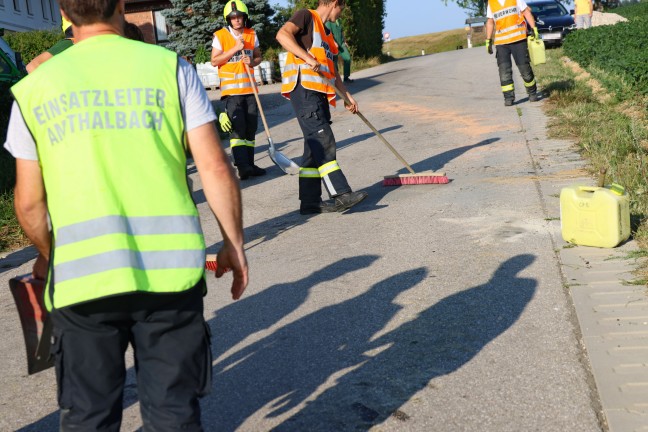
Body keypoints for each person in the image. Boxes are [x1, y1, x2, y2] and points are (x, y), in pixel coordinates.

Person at [4, 0, 249, 430]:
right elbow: (213, 167)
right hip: (169, 276)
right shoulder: (169, 68)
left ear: (63, 10)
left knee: (88, 416)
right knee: (173, 412)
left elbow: (28, 204)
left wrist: (51, 253)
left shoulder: (34, 89)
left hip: (83, 282)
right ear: (120, 5)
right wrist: (234, 244)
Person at [276, 0, 368, 215]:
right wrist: (306, 57)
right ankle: (341, 194)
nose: (342, 13)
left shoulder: (327, 34)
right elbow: (282, 35)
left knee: (312, 148)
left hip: (319, 94)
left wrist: (347, 96)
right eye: (342, 7)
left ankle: (310, 202)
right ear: (335, 3)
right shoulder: (306, 16)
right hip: (304, 90)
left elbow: (332, 72)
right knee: (322, 140)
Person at [211, 0, 266, 180]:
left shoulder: (251, 34)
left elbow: (258, 57)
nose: (236, 20)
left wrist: (253, 62)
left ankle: (250, 164)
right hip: (232, 93)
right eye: (233, 17)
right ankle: (242, 167)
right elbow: (214, 61)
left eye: (239, 16)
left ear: (244, 17)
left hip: (250, 90)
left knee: (251, 129)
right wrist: (235, 48)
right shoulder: (221, 36)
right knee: (238, 130)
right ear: (229, 19)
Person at [485, 0, 540, 106]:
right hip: (502, 43)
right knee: (504, 71)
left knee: (525, 69)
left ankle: (532, 93)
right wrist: (488, 40)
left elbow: (526, 12)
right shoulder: (491, 3)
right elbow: (490, 21)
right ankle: (508, 98)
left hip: (518, 40)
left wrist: (534, 28)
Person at [325, 18, 353, 82]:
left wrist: (345, 41)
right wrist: (334, 42)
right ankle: (336, 80)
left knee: (347, 58)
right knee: (334, 63)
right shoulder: (328, 22)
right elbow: (329, 34)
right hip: (333, 44)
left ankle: (346, 77)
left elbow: (342, 31)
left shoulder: (339, 20)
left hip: (341, 43)